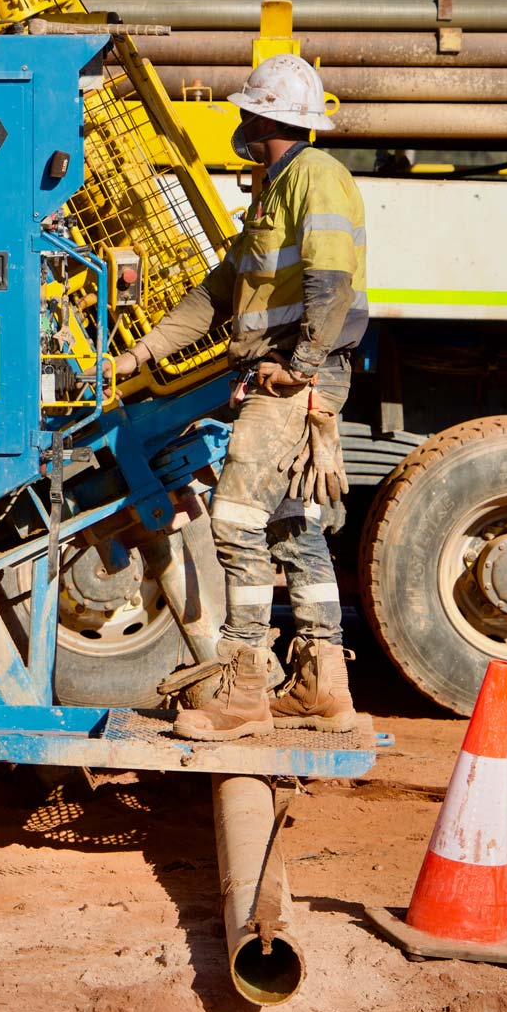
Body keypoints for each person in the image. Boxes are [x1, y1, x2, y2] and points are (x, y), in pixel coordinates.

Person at [113, 55, 365, 742]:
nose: (240, 123)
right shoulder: (272, 189)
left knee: (233, 516)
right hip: (284, 373)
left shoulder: (316, 177)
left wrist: (301, 365)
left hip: (293, 377)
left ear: (264, 118)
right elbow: (215, 297)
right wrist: (137, 355)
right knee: (291, 525)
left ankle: (245, 686)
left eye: (246, 112)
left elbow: (332, 280)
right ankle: (322, 688)